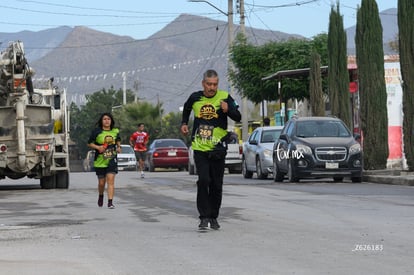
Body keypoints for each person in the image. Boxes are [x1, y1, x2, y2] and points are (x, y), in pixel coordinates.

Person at [180, 69, 241, 230]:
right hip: (200, 146)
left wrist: (229, 110)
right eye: (209, 84)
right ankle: (203, 216)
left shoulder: (225, 97)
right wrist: (184, 123)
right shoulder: (195, 97)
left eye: (215, 84)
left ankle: (213, 216)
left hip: (218, 147)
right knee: (204, 180)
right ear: (203, 84)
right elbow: (186, 109)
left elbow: (238, 116)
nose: (212, 87)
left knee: (216, 184)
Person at [88, 113, 121, 209]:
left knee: (110, 181)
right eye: (104, 119)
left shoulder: (115, 131)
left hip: (112, 159)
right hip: (100, 160)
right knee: (102, 183)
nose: (107, 121)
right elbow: (89, 143)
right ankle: (101, 195)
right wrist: (98, 147)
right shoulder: (97, 131)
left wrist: (119, 147)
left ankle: (110, 202)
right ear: (101, 121)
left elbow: (118, 140)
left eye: (108, 119)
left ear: (111, 121)